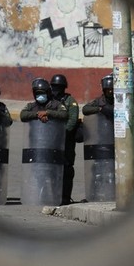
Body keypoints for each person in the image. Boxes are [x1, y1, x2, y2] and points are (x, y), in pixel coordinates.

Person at [51, 74, 80, 205]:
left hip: (66, 140)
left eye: (59, 87)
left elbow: (72, 121)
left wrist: (62, 134)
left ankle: (65, 197)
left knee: (67, 169)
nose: (56, 89)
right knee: (51, 168)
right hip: (51, 141)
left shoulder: (70, 101)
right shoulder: (50, 100)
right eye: (54, 86)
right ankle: (51, 195)